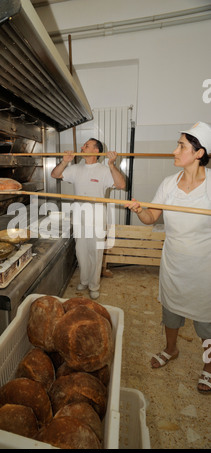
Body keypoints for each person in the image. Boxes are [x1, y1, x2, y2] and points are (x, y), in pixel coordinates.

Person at [125, 121, 211, 394]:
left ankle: (209, 365)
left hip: (204, 267)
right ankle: (171, 349)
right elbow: (151, 218)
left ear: (199, 153)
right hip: (173, 262)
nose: (174, 151)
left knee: (206, 320)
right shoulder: (167, 184)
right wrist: (139, 210)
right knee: (171, 311)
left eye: (181, 146)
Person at [51, 138, 126, 299]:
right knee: (81, 251)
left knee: (96, 252)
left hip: (97, 218)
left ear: (96, 151)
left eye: (86, 145)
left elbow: (121, 185)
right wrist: (64, 162)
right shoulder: (76, 168)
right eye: (83, 145)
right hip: (79, 217)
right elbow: (54, 174)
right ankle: (84, 280)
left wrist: (112, 165)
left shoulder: (104, 170)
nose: (82, 147)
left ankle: (94, 285)